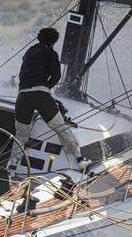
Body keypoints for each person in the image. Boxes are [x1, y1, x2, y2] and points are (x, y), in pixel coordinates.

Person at [10, 27, 90, 172]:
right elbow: (56, 75)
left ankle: (13, 163)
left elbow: (23, 73)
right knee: (60, 127)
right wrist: (46, 86)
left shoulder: (29, 51)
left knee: (21, 132)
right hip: (40, 95)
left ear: (38, 38)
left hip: (22, 95)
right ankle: (79, 158)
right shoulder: (51, 53)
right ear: (54, 41)